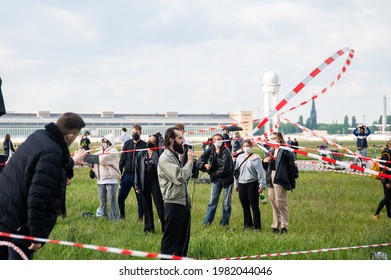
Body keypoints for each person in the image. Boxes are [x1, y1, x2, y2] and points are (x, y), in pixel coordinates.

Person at [0, 112, 87, 260]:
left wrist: (70, 164)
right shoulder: (52, 153)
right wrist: (35, 236)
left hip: (5, 208)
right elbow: (38, 198)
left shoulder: (39, 136)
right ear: (70, 137)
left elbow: (39, 166)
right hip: (17, 221)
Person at [158, 127, 194, 257]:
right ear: (171, 140)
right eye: (180, 138)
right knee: (170, 242)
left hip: (182, 203)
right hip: (173, 204)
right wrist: (189, 162)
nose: (183, 141)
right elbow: (179, 177)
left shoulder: (174, 156)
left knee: (182, 242)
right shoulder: (165, 158)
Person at [196, 133, 234, 226]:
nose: (217, 141)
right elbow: (199, 161)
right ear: (212, 141)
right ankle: (207, 222)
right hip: (216, 179)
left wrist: (213, 175)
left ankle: (224, 223)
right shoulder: (210, 150)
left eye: (219, 139)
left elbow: (224, 168)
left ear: (223, 141)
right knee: (212, 201)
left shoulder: (226, 152)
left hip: (226, 180)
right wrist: (204, 165)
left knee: (226, 202)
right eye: (215, 139)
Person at [263, 131, 297, 234]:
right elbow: (267, 167)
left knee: (281, 203)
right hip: (271, 177)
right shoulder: (270, 151)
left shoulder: (286, 151)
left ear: (280, 139)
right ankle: (275, 225)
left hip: (280, 178)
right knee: (274, 203)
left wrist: (291, 180)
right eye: (271, 138)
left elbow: (292, 167)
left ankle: (284, 226)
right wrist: (265, 161)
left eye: (274, 138)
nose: (272, 140)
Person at [135, 134, 165, 233]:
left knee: (159, 204)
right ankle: (149, 228)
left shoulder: (159, 153)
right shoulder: (141, 154)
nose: (149, 143)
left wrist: (160, 141)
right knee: (146, 205)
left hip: (156, 181)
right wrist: (137, 184)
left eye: (152, 141)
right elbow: (137, 170)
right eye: (149, 140)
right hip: (144, 181)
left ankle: (165, 227)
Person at [234, 139, 266, 230]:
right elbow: (236, 171)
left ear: (251, 147)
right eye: (244, 146)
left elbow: (260, 173)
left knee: (254, 206)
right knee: (245, 206)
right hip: (241, 183)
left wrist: (261, 185)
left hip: (252, 183)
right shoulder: (240, 157)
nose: (246, 148)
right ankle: (247, 225)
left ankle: (257, 226)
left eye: (247, 146)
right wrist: (236, 184)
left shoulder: (256, 158)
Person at [118, 124, 147, 221]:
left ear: (140, 133)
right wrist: (119, 172)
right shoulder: (127, 144)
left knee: (140, 198)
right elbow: (122, 159)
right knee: (121, 196)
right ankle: (122, 216)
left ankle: (140, 217)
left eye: (137, 133)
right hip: (126, 174)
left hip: (137, 175)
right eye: (133, 133)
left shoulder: (144, 145)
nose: (135, 134)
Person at [91, 134, 121, 221]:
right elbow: (90, 160)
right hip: (100, 180)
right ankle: (103, 218)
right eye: (103, 141)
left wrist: (94, 157)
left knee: (112, 200)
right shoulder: (100, 151)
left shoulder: (114, 151)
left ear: (110, 142)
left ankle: (115, 219)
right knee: (102, 200)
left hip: (111, 179)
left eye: (106, 141)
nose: (104, 143)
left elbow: (103, 159)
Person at [373, 140, 391, 220]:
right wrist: (387, 181)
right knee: (387, 198)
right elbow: (384, 168)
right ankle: (376, 214)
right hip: (386, 178)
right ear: (389, 145)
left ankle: (389, 215)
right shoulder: (385, 154)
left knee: (389, 197)